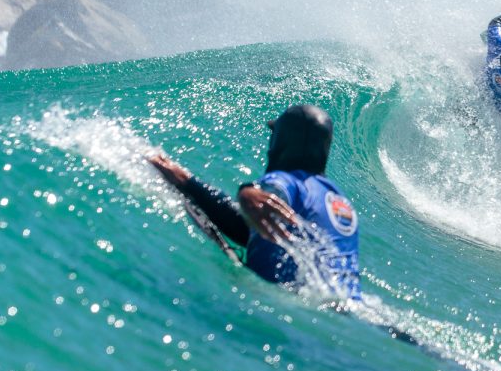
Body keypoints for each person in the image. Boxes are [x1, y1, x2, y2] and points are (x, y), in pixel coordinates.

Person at [147, 104, 361, 301]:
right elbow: (257, 231)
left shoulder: (286, 181)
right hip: (347, 308)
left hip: (288, 301)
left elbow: (259, 205)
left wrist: (187, 182)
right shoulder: (340, 202)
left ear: (281, 142)